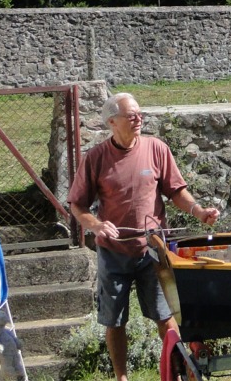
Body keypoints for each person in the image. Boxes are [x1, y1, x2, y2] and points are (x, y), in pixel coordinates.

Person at [68, 92, 219, 381]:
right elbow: (77, 205)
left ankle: (176, 373)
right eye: (131, 115)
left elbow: (175, 192)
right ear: (112, 121)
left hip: (152, 250)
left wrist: (199, 211)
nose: (139, 119)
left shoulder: (156, 148)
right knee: (114, 321)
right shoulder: (96, 158)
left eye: (140, 114)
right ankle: (121, 377)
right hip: (114, 253)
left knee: (166, 316)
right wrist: (97, 226)